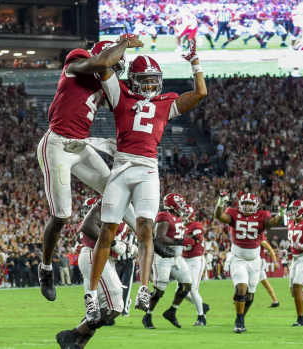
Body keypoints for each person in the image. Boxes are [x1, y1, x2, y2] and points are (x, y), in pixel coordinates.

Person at [85, 39, 207, 324]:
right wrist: (123, 46)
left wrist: (194, 61)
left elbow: (201, 92)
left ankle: (143, 288)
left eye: (154, 81)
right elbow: (104, 65)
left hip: (148, 170)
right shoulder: (120, 93)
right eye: (145, 81)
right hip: (122, 167)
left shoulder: (166, 103)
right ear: (133, 80)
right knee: (107, 232)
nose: (151, 87)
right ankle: (90, 294)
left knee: (146, 229)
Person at [36, 35, 143, 301]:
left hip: (80, 146)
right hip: (56, 145)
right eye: (115, 62)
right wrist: (124, 44)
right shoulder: (77, 61)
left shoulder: (103, 82)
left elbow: (123, 105)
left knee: (114, 186)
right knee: (61, 216)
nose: (116, 68)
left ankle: (145, 234)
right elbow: (102, 62)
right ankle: (46, 268)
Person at [56, 198, 125, 348]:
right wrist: (114, 243)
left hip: (98, 258)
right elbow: (88, 227)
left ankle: (77, 345)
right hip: (95, 256)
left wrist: (127, 246)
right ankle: (71, 335)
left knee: (95, 312)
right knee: (114, 307)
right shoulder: (109, 205)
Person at [214, 192, 285, 333]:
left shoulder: (262, 215)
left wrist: (282, 213)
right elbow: (219, 216)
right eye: (245, 204)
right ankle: (240, 321)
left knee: (250, 295)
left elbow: (272, 223)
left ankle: (240, 317)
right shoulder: (233, 213)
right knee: (241, 289)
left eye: (250, 204)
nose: (247, 207)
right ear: (240, 204)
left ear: (256, 205)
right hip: (238, 258)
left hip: (254, 261)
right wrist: (221, 202)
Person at [143, 193, 192, 329]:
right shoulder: (164, 216)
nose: (182, 206)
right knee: (159, 290)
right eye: (179, 203)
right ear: (172, 204)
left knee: (187, 284)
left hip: (176, 257)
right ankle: (147, 314)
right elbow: (159, 237)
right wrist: (181, 241)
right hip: (163, 257)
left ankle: (172, 311)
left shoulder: (177, 217)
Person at [181, 205, 209, 326]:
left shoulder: (196, 225)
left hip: (195, 260)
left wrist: (178, 241)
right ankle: (203, 306)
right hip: (184, 259)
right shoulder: (180, 226)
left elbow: (196, 240)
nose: (181, 215)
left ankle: (201, 317)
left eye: (183, 213)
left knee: (192, 289)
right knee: (181, 291)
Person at [258, 236, 280, 308]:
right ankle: (275, 301)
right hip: (255, 262)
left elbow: (271, 250)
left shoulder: (261, 240)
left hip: (258, 262)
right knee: (265, 283)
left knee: (248, 281)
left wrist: (275, 262)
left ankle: (239, 297)